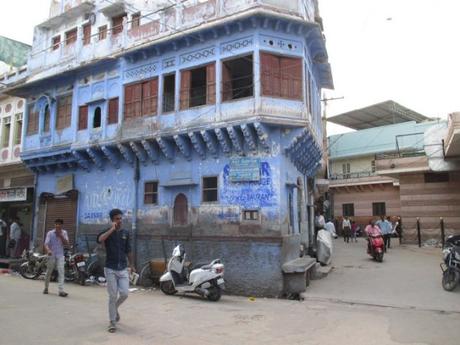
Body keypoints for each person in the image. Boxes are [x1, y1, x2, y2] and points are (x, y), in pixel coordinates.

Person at [97, 209, 135, 333]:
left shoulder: (126, 233)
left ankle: (115, 308)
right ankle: (112, 322)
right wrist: (112, 229)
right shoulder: (107, 232)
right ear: (112, 220)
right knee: (112, 296)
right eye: (117, 219)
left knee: (124, 294)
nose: (120, 221)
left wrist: (132, 264)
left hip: (123, 268)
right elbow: (100, 239)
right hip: (110, 268)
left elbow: (128, 250)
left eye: (120, 218)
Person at [43, 219, 69, 297]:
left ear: (61, 225)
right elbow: (46, 244)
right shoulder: (50, 233)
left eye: (59, 224)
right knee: (49, 272)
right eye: (56, 224)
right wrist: (48, 250)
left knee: (61, 272)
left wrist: (60, 235)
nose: (57, 225)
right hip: (51, 255)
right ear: (54, 225)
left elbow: (67, 243)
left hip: (60, 255)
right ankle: (46, 288)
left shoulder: (64, 233)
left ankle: (61, 291)